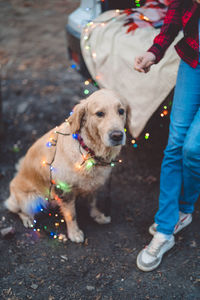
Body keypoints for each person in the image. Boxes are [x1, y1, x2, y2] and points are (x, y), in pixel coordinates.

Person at [134, 0, 200, 271]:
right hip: (193, 63)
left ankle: (184, 208)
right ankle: (164, 229)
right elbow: (175, 16)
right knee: (175, 145)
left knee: (193, 149)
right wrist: (154, 52)